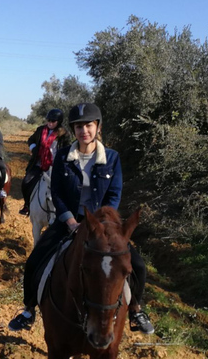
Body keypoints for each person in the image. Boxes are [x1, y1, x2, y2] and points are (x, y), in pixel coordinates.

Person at [8, 103, 155, 335]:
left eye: (88, 125)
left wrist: (101, 223)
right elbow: (56, 191)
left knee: (137, 264)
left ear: (97, 127)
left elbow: (114, 194)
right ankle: (28, 310)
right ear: (73, 130)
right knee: (35, 259)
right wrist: (68, 220)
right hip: (69, 221)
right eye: (78, 126)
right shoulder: (64, 157)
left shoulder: (113, 158)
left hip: (103, 224)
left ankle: (136, 309)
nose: (83, 130)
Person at [18, 108, 71, 216]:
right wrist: (33, 149)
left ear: (59, 122)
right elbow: (31, 140)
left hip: (55, 166)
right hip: (38, 163)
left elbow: (66, 150)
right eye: (49, 120)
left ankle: (65, 210)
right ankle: (27, 205)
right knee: (26, 182)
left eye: (53, 121)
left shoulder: (64, 134)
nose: (50, 123)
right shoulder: (41, 130)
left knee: (65, 186)